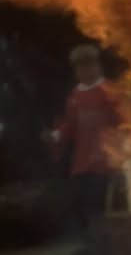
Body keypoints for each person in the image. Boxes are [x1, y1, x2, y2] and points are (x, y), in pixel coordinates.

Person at [51, 44, 125, 242]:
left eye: (89, 65)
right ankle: (93, 241)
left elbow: (122, 121)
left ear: (97, 65)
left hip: (105, 159)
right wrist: (56, 136)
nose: (85, 70)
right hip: (83, 161)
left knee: (102, 203)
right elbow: (70, 125)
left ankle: (105, 242)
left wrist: (121, 153)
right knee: (85, 202)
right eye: (80, 67)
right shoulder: (75, 96)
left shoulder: (109, 91)